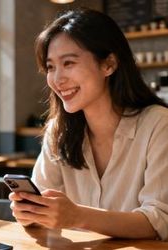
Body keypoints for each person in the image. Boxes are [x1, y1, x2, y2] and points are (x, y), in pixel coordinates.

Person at [10, 8, 168, 240]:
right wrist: (29, 212)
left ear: (109, 64)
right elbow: (41, 204)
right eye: (51, 67)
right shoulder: (58, 131)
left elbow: (159, 221)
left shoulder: (159, 124)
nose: (57, 79)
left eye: (69, 63)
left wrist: (77, 216)